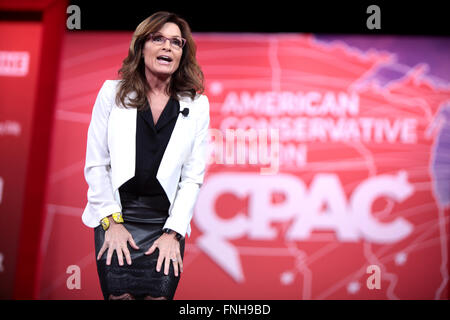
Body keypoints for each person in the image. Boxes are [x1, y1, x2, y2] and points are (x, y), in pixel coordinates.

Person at [81, 11, 209, 300]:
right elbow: (97, 164)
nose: (168, 47)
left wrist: (173, 233)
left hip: (164, 226)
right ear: (141, 47)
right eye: (158, 39)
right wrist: (111, 224)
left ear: (181, 54)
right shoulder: (111, 94)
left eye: (176, 43)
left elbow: (192, 178)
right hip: (117, 218)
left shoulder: (197, 105)